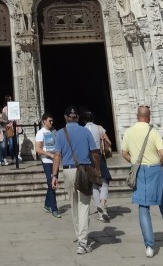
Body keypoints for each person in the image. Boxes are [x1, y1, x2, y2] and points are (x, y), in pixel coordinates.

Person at [121, 105, 163, 257]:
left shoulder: (129, 132)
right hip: (155, 170)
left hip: (139, 171)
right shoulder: (153, 132)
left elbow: (124, 153)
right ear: (149, 118)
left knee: (143, 207)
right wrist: (161, 163)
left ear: (137, 117)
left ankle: (149, 247)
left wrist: (135, 162)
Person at [51, 105, 101, 255]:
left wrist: (54, 176)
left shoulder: (60, 133)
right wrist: (98, 169)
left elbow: (57, 155)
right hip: (83, 170)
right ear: (77, 117)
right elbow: (95, 153)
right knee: (84, 206)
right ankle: (82, 243)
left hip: (68, 171)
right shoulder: (85, 131)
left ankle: (80, 236)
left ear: (65, 118)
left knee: (74, 205)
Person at [82, 110, 112, 223]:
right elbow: (109, 142)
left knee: (94, 184)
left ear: (84, 120)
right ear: (93, 118)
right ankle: (103, 204)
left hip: (88, 158)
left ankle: (100, 212)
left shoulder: (83, 130)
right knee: (104, 182)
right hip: (98, 156)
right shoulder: (99, 128)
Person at [35, 112, 60, 218]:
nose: (51, 122)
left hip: (55, 160)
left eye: (52, 120)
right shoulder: (40, 133)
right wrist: (49, 154)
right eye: (50, 121)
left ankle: (47, 204)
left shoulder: (54, 131)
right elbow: (37, 148)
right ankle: (54, 209)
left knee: (52, 184)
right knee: (52, 184)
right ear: (44, 121)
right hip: (47, 161)